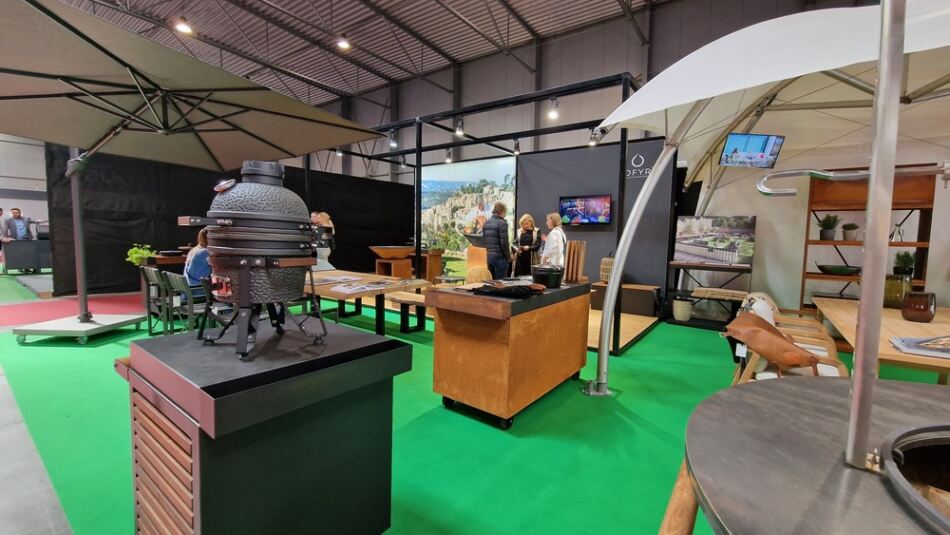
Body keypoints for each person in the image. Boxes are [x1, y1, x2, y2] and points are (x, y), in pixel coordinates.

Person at [482, 201, 511, 280]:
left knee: (492, 282)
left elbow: (485, 241)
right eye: (505, 212)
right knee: (501, 283)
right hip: (500, 258)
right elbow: (504, 243)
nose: (505, 215)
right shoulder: (502, 223)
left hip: (489, 257)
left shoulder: (486, 223)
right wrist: (508, 257)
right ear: (501, 211)